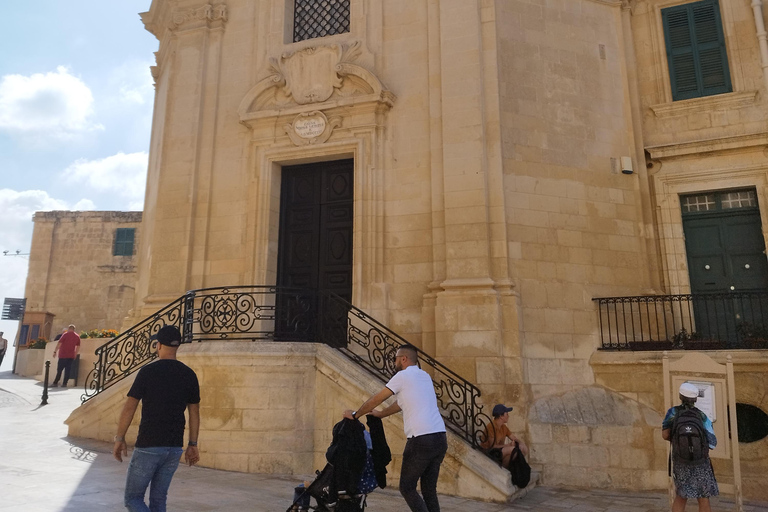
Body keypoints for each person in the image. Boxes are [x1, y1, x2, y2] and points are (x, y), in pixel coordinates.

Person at [343, 344, 446, 512]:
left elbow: (377, 398)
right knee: (429, 490)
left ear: (404, 359)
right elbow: (401, 402)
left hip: (420, 439)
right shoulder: (424, 376)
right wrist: (382, 414)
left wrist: (356, 415)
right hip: (440, 437)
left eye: (396, 358)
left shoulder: (403, 376)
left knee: (407, 488)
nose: (394, 362)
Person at [113, 325, 200, 512]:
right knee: (159, 499)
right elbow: (194, 412)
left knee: (133, 499)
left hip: (149, 445)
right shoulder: (189, 374)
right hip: (174, 447)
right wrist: (193, 443)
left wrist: (119, 438)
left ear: (158, 345)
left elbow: (130, 406)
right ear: (177, 346)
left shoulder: (148, 372)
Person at [662, 382, 718, 512]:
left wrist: (678, 440)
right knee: (703, 498)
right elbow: (712, 443)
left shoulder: (673, 412)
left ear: (680, 396)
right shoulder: (702, 415)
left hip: (680, 461)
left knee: (681, 496)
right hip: (701, 462)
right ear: (695, 399)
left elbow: (665, 435)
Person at [480, 404, 529, 469]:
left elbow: (513, 438)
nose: (508, 416)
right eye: (507, 414)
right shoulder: (491, 427)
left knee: (521, 449)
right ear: (501, 416)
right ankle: (502, 470)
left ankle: (505, 471)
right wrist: (508, 445)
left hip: (499, 451)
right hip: (489, 452)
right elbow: (493, 446)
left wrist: (521, 444)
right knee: (513, 450)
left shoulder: (503, 427)